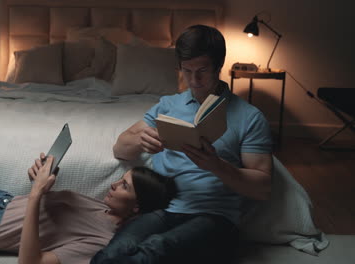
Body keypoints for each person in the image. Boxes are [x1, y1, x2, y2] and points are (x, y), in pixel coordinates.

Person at [90, 25, 274, 264]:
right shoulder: (167, 106)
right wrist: (141, 140)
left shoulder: (250, 117)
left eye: (202, 71)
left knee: (153, 249)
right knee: (113, 253)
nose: (194, 80)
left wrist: (216, 166)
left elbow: (263, 188)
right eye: (187, 71)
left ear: (219, 66)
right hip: (164, 210)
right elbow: (120, 149)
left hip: (215, 218)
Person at [0, 122, 176, 264]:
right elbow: (56, 212)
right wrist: (43, 177)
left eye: (124, 186)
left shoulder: (102, 242)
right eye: (120, 180)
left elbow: (31, 263)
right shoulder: (105, 206)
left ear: (137, 209)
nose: (113, 185)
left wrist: (36, 193)